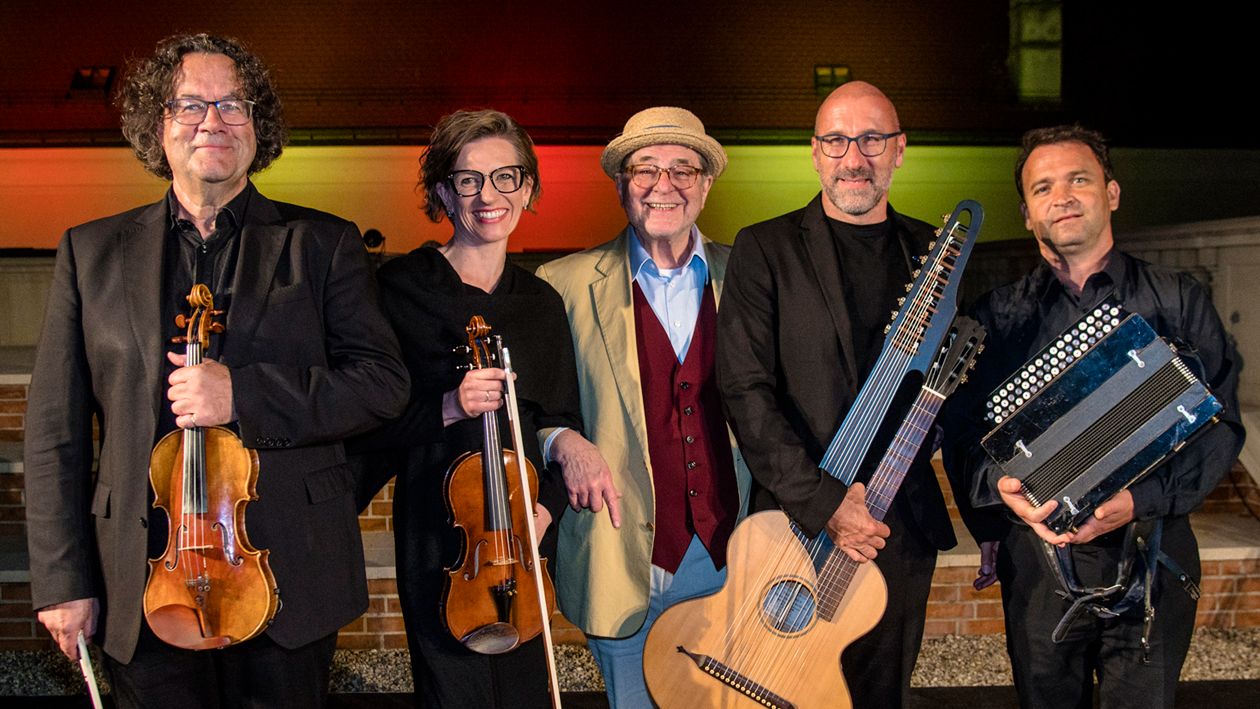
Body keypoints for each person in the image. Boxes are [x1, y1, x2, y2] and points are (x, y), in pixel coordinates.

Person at [23, 33, 409, 707]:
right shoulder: (90, 252)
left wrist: (245, 394)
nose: (214, 121)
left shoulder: (322, 243)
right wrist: (63, 580)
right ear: (158, 124)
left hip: (289, 575)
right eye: (191, 104)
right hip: (141, 581)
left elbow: (383, 384)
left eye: (233, 104)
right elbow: (55, 432)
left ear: (258, 127)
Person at [942, 125, 1244, 709]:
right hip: (1039, 564)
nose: (1062, 197)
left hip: (1153, 551)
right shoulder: (997, 317)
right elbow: (962, 441)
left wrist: (1142, 498)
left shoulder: (1176, 299)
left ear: (1112, 193)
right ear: (1027, 214)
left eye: (1078, 180)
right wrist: (1001, 492)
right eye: (1043, 188)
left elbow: (1222, 425)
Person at [716, 81, 957, 706]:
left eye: (872, 139)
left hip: (896, 530)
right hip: (795, 526)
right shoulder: (764, 248)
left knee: (882, 697)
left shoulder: (935, 253)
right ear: (815, 152)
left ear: (899, 149)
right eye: (837, 140)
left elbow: (956, 391)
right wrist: (826, 503)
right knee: (786, 693)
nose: (855, 158)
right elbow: (744, 390)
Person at [350, 109, 581, 707]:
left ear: (527, 188)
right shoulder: (399, 288)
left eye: (506, 177)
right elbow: (367, 419)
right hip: (440, 539)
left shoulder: (540, 303)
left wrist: (547, 512)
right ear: (444, 193)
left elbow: (559, 423)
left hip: (522, 543)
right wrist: (447, 407)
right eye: (468, 180)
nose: (488, 196)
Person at [536, 106, 750, 708]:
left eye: (683, 170)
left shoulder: (748, 277)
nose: (664, 185)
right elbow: (533, 407)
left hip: (730, 557)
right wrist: (560, 441)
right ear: (621, 184)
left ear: (706, 185)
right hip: (617, 554)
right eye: (646, 169)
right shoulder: (562, 283)